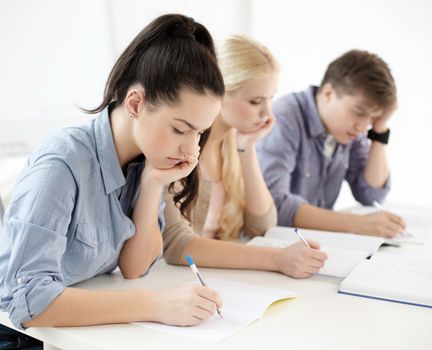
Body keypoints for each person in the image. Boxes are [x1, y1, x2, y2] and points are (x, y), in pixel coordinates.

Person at [0, 14, 225, 341]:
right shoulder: (62, 163)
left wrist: (152, 184)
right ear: (135, 102)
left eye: (199, 134)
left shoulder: (144, 161)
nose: (191, 149)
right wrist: (157, 305)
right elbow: (29, 301)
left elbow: (134, 267)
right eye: (180, 129)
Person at [162, 35, 327, 277]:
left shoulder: (232, 143)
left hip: (220, 279)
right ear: (218, 93)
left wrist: (247, 149)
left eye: (271, 99)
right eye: (255, 101)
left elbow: (262, 226)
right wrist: (278, 259)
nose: (267, 113)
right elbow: (176, 245)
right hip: (173, 281)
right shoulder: (178, 144)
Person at [257, 50, 406, 238]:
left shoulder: (350, 131)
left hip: (313, 245)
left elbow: (371, 194)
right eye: (359, 112)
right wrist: (356, 224)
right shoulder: (285, 117)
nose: (363, 127)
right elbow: (274, 205)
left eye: (373, 117)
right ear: (328, 93)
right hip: (274, 245)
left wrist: (380, 130)